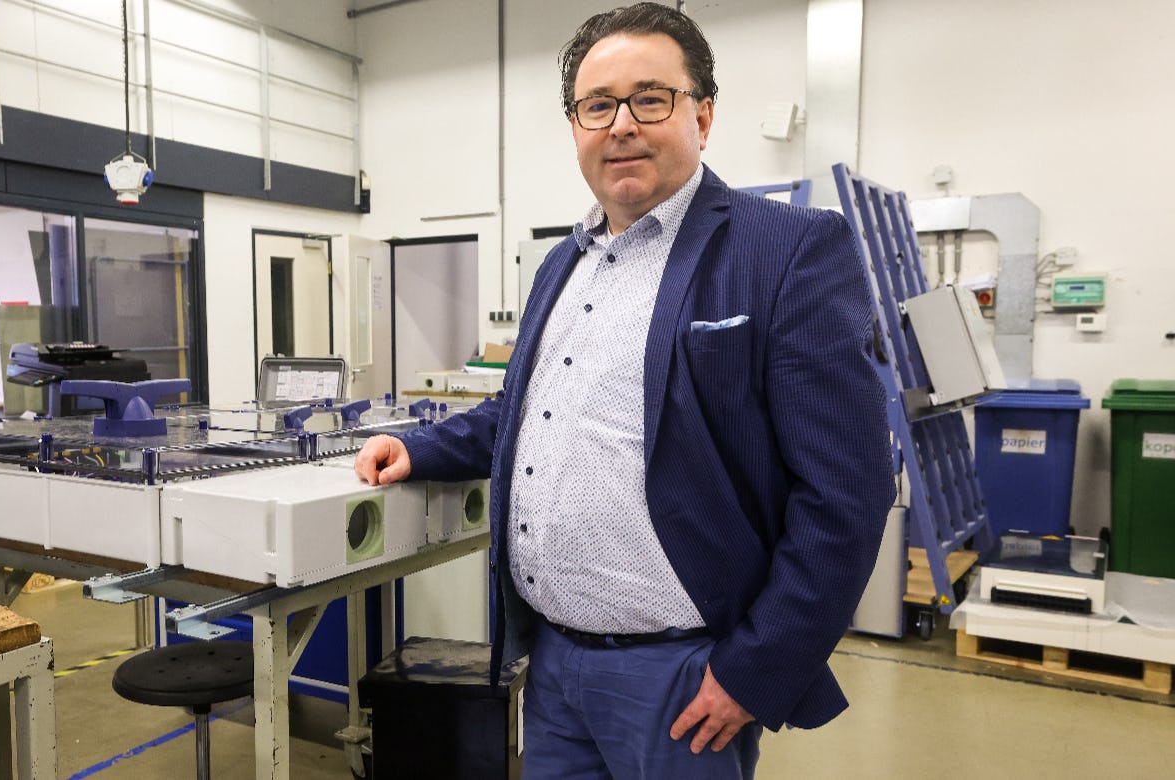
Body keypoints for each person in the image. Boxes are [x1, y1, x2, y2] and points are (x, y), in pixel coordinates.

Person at [355, 4, 894, 777]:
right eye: (597, 106)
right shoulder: (561, 266)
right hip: (551, 662)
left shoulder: (786, 250)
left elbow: (848, 490)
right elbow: (526, 411)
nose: (622, 126)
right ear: (575, 125)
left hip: (683, 675)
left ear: (702, 115)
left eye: (650, 99)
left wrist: (757, 668)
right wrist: (419, 449)